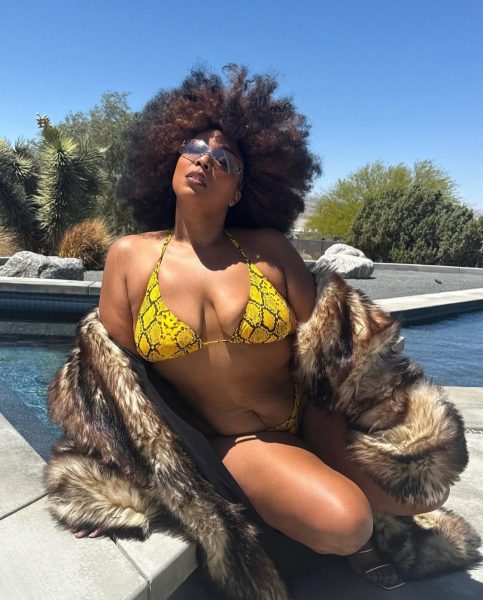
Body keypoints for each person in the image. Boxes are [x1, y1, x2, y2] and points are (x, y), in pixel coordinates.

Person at [71, 65, 447, 589]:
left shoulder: (267, 250)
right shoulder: (129, 257)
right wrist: (112, 483)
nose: (205, 159)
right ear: (168, 162)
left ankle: (333, 498)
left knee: (425, 491)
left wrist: (388, 410)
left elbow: (333, 346)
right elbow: (113, 381)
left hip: (310, 416)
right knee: (347, 523)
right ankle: (349, 535)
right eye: (193, 147)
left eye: (224, 159)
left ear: (238, 190)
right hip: (240, 440)